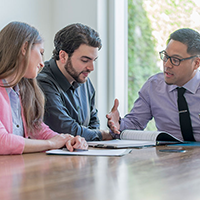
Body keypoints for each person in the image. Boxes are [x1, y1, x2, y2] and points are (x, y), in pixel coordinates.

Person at [0, 21, 88, 155]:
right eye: (41, 52)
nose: (42, 63)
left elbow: (37, 129)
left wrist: (66, 139)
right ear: (24, 48)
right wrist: (51, 143)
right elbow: (2, 141)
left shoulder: (23, 90)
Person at [107, 28, 200, 141]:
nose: (167, 64)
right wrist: (118, 124)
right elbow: (135, 124)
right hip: (168, 156)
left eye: (176, 60)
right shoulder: (154, 86)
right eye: (166, 56)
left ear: (196, 63)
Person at [37, 23, 112, 141]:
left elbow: (93, 122)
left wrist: (96, 135)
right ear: (63, 56)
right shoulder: (42, 82)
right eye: (85, 60)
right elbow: (65, 128)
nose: (91, 67)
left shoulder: (83, 79)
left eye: (94, 60)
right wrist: (103, 135)